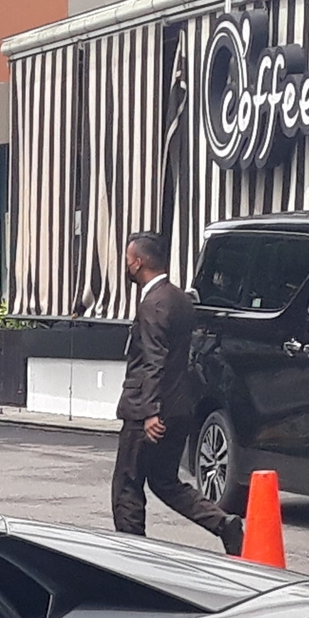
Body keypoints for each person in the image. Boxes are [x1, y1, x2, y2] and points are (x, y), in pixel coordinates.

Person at [113, 232, 243, 555]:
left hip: (148, 411)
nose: (127, 265)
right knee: (165, 482)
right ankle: (224, 523)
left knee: (127, 485)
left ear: (138, 262)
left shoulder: (152, 304)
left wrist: (149, 411)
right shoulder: (181, 299)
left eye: (128, 260)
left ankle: (132, 556)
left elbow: (154, 359)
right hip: (180, 406)